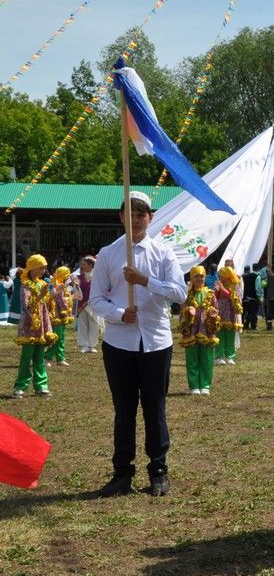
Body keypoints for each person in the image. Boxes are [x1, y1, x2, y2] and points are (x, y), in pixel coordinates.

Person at [90, 191, 187, 497]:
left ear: (151, 218)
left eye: (141, 214)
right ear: (120, 217)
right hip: (119, 342)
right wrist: (120, 314)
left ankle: (158, 470)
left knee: (155, 406)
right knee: (124, 409)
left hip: (156, 341)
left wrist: (144, 281)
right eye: (129, 214)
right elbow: (95, 300)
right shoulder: (108, 254)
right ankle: (122, 473)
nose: (135, 219)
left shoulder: (163, 253)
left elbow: (179, 293)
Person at [12, 255, 56, 398]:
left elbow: (46, 303)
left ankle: (41, 385)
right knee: (27, 356)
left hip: (41, 324)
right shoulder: (25, 284)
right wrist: (39, 296)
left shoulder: (42, 284)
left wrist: (53, 294)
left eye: (45, 268)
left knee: (39, 356)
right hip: (29, 325)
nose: (44, 270)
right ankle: (20, 386)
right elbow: (25, 305)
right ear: (32, 267)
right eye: (41, 267)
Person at [179, 266, 220, 395]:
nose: (199, 279)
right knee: (192, 358)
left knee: (207, 358)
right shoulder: (187, 294)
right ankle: (194, 385)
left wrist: (213, 314)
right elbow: (181, 314)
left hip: (206, 329)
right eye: (196, 276)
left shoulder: (210, 293)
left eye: (202, 276)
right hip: (191, 330)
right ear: (192, 277)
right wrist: (188, 312)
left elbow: (216, 309)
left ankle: (205, 385)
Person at [44, 266, 75, 367]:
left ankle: (60, 358)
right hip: (57, 316)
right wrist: (71, 298)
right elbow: (61, 301)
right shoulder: (59, 285)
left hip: (61, 316)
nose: (69, 277)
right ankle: (46, 357)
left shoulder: (60, 284)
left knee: (61, 338)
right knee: (57, 338)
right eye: (68, 275)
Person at [74, 256, 104, 353]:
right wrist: (76, 286)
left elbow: (101, 289)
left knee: (93, 323)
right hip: (82, 305)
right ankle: (84, 345)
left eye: (84, 264)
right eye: (82, 265)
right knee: (83, 324)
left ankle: (91, 345)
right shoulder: (78, 277)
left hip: (93, 304)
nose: (82, 266)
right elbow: (76, 293)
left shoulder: (98, 277)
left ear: (91, 265)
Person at [214, 266, 242, 365]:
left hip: (230, 312)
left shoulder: (235, 284)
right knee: (219, 334)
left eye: (221, 275)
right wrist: (217, 290)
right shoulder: (218, 283)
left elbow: (233, 297)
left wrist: (222, 289)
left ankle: (230, 356)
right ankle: (218, 356)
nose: (220, 277)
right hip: (220, 311)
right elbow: (215, 297)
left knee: (230, 335)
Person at [241, 264, 261, 330]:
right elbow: (258, 288)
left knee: (243, 313)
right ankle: (253, 326)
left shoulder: (242, 276)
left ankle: (243, 325)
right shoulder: (257, 276)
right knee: (253, 312)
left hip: (244, 297)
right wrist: (259, 297)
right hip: (254, 297)